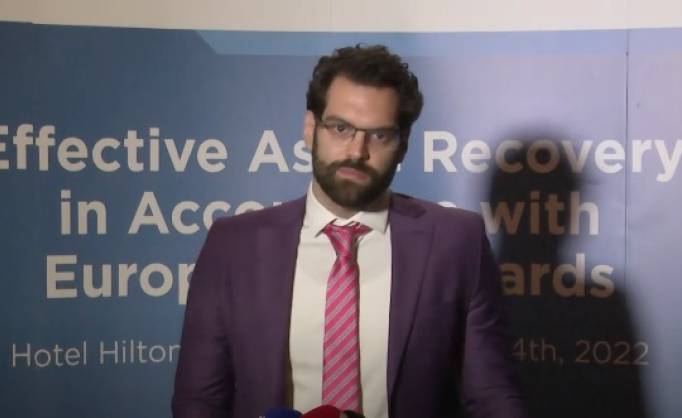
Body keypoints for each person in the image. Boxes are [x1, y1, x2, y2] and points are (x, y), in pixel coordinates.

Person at [172, 45, 526, 418]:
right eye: (341, 128)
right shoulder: (233, 246)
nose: (357, 151)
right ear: (311, 129)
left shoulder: (456, 242)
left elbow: (493, 396)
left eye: (379, 136)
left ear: (403, 145)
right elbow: (199, 401)